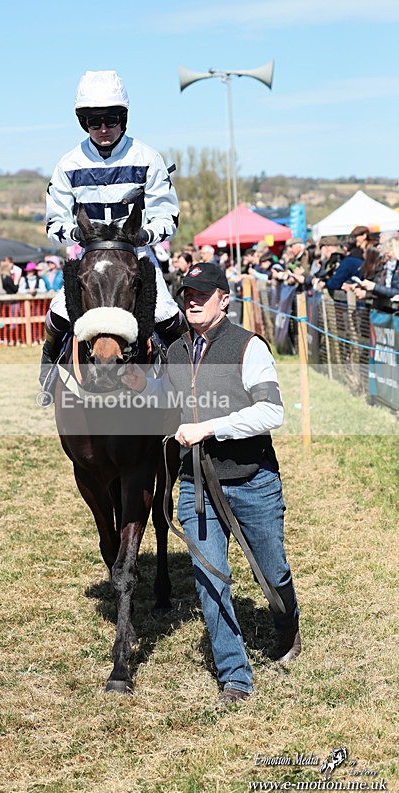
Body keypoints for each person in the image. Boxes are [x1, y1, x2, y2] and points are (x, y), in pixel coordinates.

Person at [123, 262, 301, 707]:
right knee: (209, 578)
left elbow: (271, 413)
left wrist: (210, 427)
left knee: (273, 571)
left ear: (224, 298)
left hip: (252, 481)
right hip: (196, 484)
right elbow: (167, 400)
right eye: (187, 293)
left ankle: (287, 624)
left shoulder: (248, 347)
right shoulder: (177, 351)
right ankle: (235, 676)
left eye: (203, 293)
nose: (192, 299)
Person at [41, 69, 185, 385]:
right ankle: (49, 370)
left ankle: (188, 384)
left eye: (111, 120)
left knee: (168, 315)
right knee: (57, 315)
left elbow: (168, 217)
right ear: (84, 123)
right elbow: (54, 223)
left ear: (124, 118)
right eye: (95, 122)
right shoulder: (68, 164)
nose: (104, 128)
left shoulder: (148, 157)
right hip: (88, 255)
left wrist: (145, 233)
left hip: (136, 254)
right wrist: (77, 233)